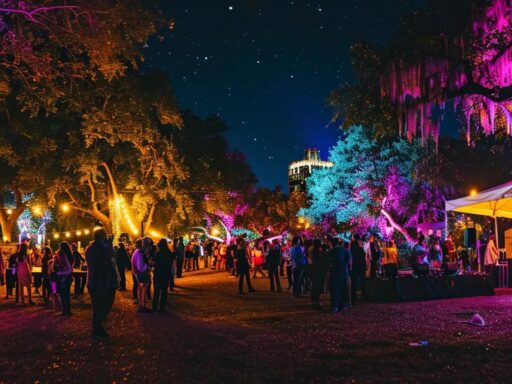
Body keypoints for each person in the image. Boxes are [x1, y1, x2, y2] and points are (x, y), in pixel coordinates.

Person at [85, 228, 120, 339]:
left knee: (97, 307)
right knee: (104, 305)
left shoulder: (89, 249)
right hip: (103, 282)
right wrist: (108, 245)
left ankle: (97, 328)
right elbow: (111, 258)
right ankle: (98, 328)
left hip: (93, 281)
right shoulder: (102, 248)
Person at [328, 237, 351, 313]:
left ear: (331, 243)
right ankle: (342, 305)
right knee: (343, 288)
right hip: (343, 272)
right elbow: (349, 259)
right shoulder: (344, 250)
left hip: (334, 272)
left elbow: (328, 262)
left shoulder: (330, 252)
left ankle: (335, 306)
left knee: (334, 290)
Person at [152, 238, 173, 314]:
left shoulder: (158, 253)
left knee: (157, 292)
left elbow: (155, 263)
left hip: (158, 274)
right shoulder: (169, 253)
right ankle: (162, 308)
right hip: (166, 274)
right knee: (164, 292)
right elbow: (170, 263)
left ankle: (154, 307)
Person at [132, 238, 150, 312]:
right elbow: (140, 267)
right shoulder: (139, 253)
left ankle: (141, 306)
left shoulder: (136, 252)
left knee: (140, 289)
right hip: (141, 274)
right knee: (143, 288)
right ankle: (142, 307)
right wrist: (147, 266)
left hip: (137, 274)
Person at [56, 242, 73, 315]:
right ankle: (67, 310)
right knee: (66, 294)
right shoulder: (70, 256)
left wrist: (60, 272)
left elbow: (68, 268)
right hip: (68, 277)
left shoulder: (63, 256)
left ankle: (65, 310)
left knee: (63, 294)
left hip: (64, 277)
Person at [310, 238, 328, 310]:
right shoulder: (316, 251)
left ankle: (314, 302)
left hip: (315, 271)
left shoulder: (313, 250)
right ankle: (316, 302)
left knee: (315, 287)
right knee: (317, 287)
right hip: (318, 271)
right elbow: (320, 260)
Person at [350, 235, 366, 304]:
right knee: (363, 281)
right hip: (361, 266)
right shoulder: (360, 249)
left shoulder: (351, 250)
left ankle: (354, 297)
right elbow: (363, 255)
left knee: (354, 282)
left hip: (354, 267)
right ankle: (364, 296)